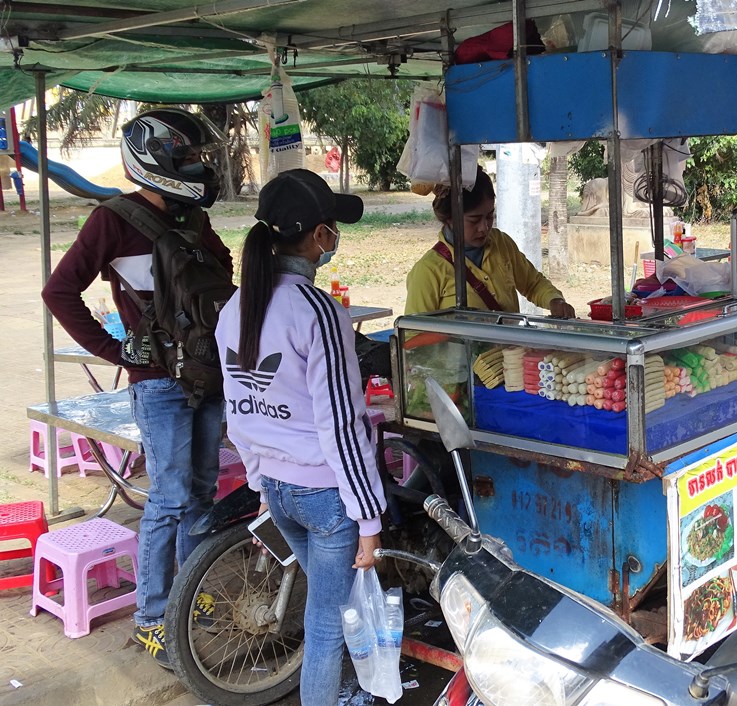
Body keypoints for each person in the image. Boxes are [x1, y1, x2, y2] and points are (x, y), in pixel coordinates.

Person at [41, 108, 233, 668]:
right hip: (158, 385)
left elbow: (219, 282)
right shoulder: (112, 220)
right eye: (191, 158)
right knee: (170, 499)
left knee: (200, 495)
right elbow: (60, 292)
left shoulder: (193, 219)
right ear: (158, 162)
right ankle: (153, 618)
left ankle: (185, 598)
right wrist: (114, 350)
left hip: (205, 375)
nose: (201, 167)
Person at [215, 169, 386, 706]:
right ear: (317, 237)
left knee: (330, 608)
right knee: (327, 626)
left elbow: (240, 411)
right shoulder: (318, 312)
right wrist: (369, 517)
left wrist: (263, 483)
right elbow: (341, 423)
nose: (333, 237)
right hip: (325, 499)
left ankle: (349, 691)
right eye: (331, 226)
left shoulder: (234, 308)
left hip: (280, 492)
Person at [405, 165, 576, 317]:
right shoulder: (428, 271)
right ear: (450, 218)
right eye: (474, 220)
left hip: (510, 353)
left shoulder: (501, 243)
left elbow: (532, 283)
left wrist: (555, 301)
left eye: (489, 216)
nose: (484, 227)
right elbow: (414, 338)